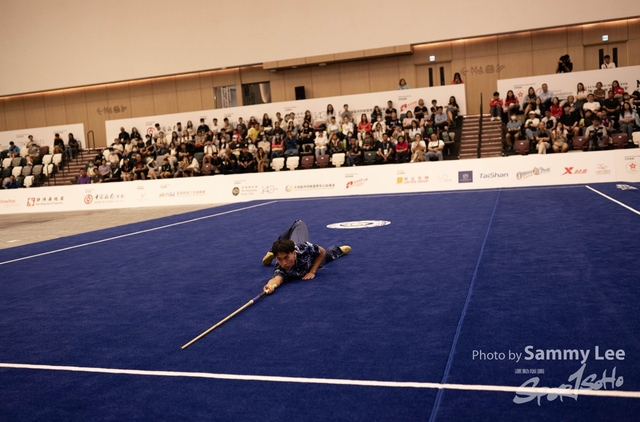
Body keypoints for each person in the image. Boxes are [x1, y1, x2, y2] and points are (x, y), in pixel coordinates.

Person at [261, 220, 351, 294]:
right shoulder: (280, 267)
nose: (284, 263)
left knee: (299, 224)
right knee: (325, 260)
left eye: (286, 258)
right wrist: (270, 286)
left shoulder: (303, 248)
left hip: (310, 259)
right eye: (279, 259)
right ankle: (274, 250)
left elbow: (322, 251)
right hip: (307, 264)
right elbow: (276, 279)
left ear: (294, 253)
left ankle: (338, 250)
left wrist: (312, 271)